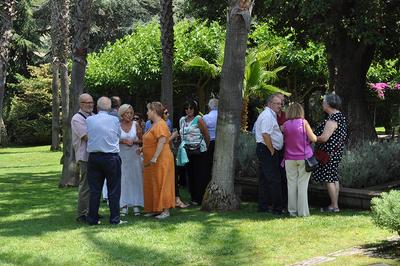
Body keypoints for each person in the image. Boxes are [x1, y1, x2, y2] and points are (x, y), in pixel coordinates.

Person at [86, 96, 126, 225]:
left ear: (97, 107)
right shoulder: (114, 120)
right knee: (114, 189)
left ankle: (92, 218)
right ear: (110, 108)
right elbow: (118, 135)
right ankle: (114, 218)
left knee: (95, 190)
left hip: (94, 157)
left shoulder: (89, 119)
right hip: (111, 157)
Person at [312, 94, 348, 213]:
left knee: (329, 179)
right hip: (335, 152)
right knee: (333, 177)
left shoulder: (333, 119)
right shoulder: (340, 116)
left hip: (328, 153)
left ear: (328, 104)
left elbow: (324, 138)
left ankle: (334, 206)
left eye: (323, 102)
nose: (322, 104)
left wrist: (312, 138)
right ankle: (335, 204)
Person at [282, 102, 317, 217]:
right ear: (300, 111)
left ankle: (292, 211)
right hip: (304, 158)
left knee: (291, 185)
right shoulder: (304, 122)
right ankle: (303, 212)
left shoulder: (285, 125)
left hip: (289, 158)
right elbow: (313, 138)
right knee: (302, 185)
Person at [142, 102, 175, 219]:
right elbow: (152, 141)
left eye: (148, 110)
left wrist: (155, 157)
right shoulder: (154, 124)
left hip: (161, 159)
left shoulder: (161, 124)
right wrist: (142, 149)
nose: (147, 113)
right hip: (152, 161)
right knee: (153, 183)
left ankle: (165, 210)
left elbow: (161, 141)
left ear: (154, 111)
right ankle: (155, 208)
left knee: (163, 182)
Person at [254, 94, 284, 214]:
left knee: (265, 180)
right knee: (274, 179)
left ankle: (263, 206)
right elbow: (265, 134)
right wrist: (272, 150)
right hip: (267, 149)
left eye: (280, 104)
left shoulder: (270, 115)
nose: (280, 106)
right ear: (270, 104)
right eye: (277, 103)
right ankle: (277, 208)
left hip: (265, 149)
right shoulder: (267, 116)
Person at [178, 100, 210, 205]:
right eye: (186, 108)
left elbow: (206, 134)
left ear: (194, 109)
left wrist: (206, 147)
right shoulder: (182, 120)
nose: (188, 110)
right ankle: (193, 197)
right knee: (190, 174)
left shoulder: (199, 119)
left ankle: (199, 198)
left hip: (199, 150)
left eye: (191, 108)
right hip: (187, 150)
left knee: (199, 174)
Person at [71, 93, 94, 223]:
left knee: (94, 186)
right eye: (87, 103)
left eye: (91, 102)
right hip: (85, 157)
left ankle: (92, 211)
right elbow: (86, 136)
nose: (90, 105)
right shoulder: (77, 118)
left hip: (94, 156)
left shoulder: (94, 116)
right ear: (81, 104)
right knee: (85, 185)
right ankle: (82, 214)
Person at [118, 104, 144, 216]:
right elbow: (113, 139)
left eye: (131, 113)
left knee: (135, 178)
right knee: (122, 179)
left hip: (134, 155)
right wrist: (123, 141)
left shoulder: (136, 125)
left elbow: (143, 140)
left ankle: (136, 204)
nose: (129, 115)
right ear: (122, 114)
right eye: (126, 113)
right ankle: (123, 205)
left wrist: (134, 142)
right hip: (121, 155)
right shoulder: (117, 125)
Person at [202, 98, 218, 181]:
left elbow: (203, 131)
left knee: (208, 164)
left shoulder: (206, 117)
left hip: (209, 142)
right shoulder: (222, 116)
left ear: (209, 107)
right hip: (219, 143)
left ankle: (208, 180)